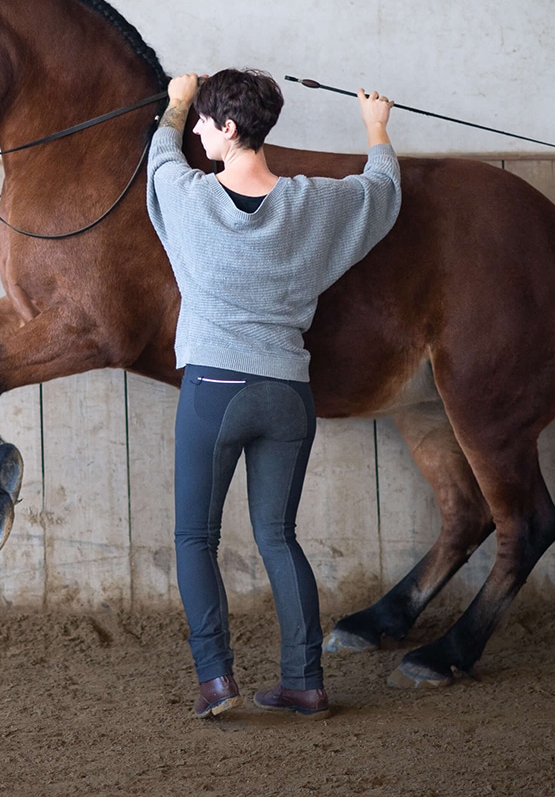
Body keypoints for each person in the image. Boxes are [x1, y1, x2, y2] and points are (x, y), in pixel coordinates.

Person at [146, 68, 402, 720]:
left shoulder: (188, 195)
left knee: (195, 539)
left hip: (216, 390)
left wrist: (176, 101)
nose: (199, 130)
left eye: (207, 120)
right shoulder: (313, 202)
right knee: (278, 536)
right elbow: (381, 192)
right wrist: (376, 128)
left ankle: (215, 682)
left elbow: (158, 160)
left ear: (229, 129)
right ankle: (305, 682)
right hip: (288, 393)